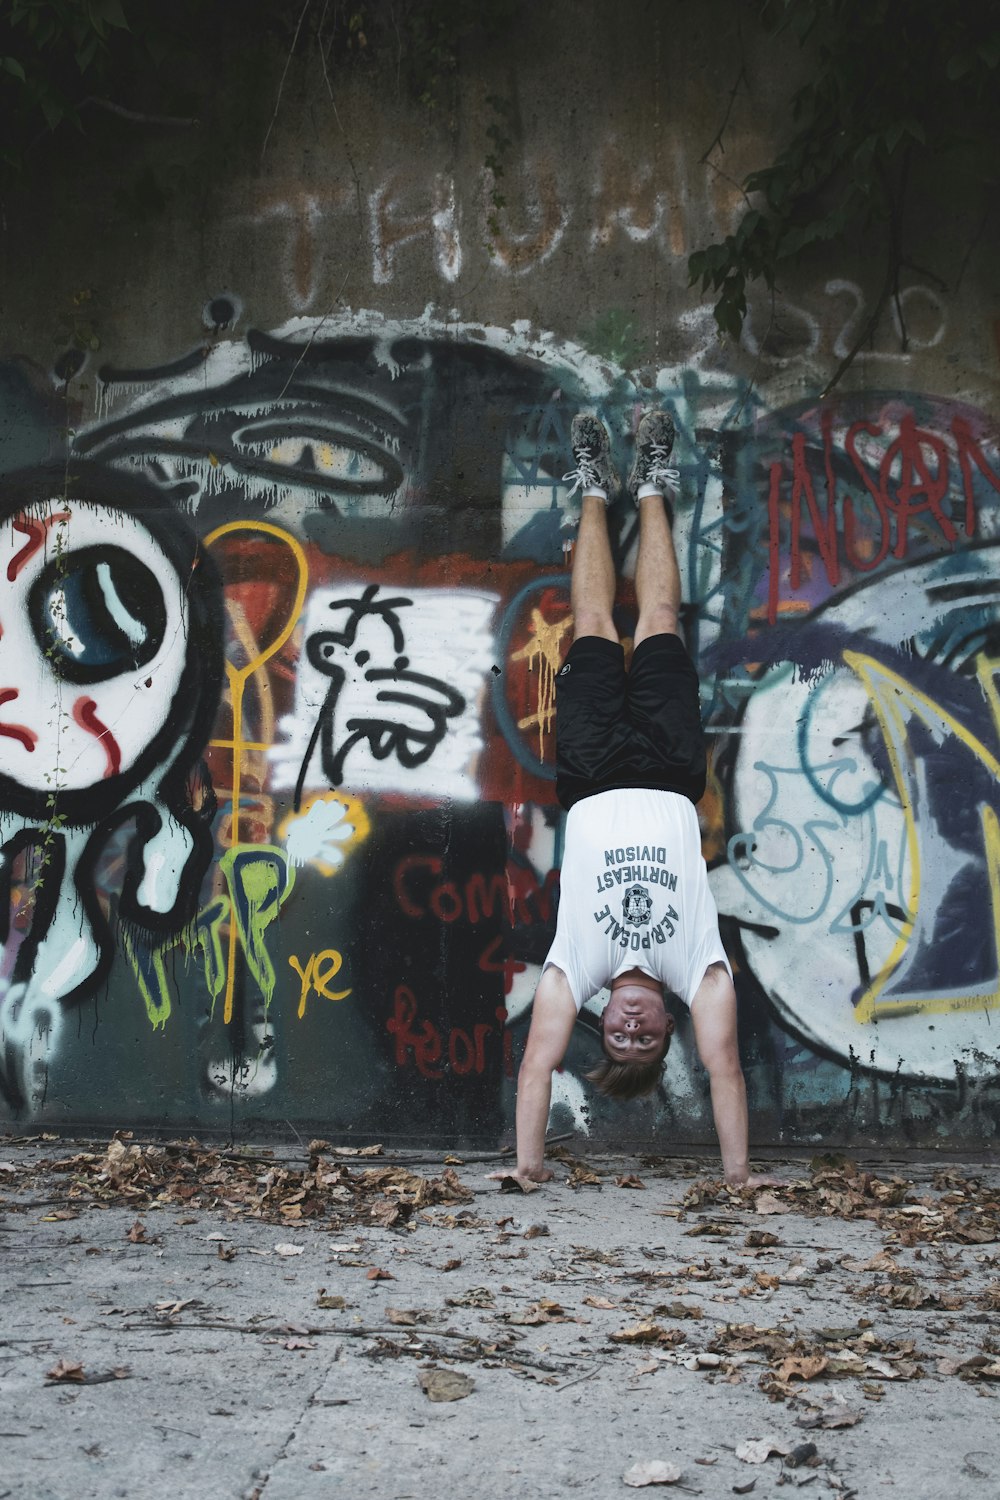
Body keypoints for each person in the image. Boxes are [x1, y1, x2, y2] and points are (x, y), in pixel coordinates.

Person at [499, 411, 766, 1189]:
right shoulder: (700, 974)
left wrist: (528, 1166)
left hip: (587, 768)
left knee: (588, 621)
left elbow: (535, 1071)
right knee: (656, 621)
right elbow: (725, 1073)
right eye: (646, 1043)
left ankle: (591, 489)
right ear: (666, 1029)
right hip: (674, 764)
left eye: (620, 1041)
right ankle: (651, 486)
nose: (634, 1031)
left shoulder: (573, 970)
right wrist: (739, 1176)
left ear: (602, 1023)